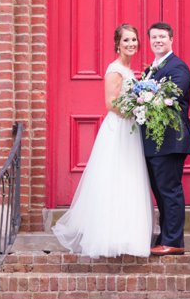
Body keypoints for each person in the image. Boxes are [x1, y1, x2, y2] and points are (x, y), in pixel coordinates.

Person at [52, 23, 153, 257]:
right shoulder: (115, 69)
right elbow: (111, 103)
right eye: (126, 40)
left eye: (134, 40)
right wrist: (137, 109)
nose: (131, 44)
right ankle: (110, 237)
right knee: (115, 177)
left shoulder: (131, 71)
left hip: (129, 129)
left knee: (129, 177)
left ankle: (128, 235)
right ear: (117, 44)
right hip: (118, 128)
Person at [142, 21, 190, 256]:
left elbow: (173, 96)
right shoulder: (149, 70)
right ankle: (164, 236)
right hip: (153, 141)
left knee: (170, 190)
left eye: (162, 37)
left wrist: (146, 97)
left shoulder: (178, 67)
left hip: (170, 140)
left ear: (171, 39)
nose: (158, 41)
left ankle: (174, 241)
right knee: (160, 191)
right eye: (154, 37)